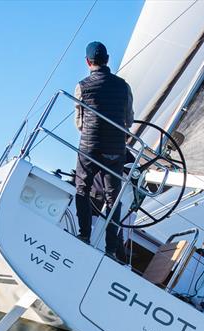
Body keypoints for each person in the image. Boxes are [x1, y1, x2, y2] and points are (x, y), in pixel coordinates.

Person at [73, 41, 134, 259]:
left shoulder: (82, 86)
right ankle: (110, 249)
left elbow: (79, 123)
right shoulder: (124, 86)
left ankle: (84, 235)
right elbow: (129, 120)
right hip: (115, 150)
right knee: (112, 198)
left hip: (89, 147)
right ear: (108, 60)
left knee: (82, 188)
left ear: (88, 62)